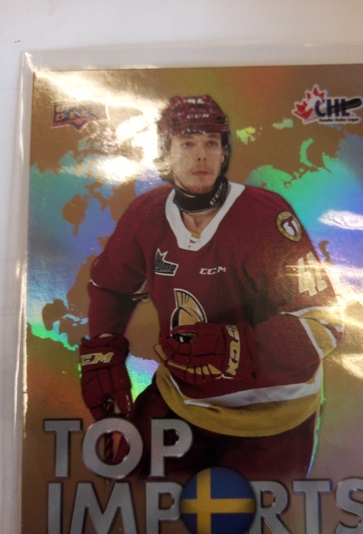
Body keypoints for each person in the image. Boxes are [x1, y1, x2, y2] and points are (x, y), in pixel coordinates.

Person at [79, 95, 343, 483]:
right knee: (132, 494)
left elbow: (325, 324)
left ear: (224, 153)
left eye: (211, 143)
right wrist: (104, 352)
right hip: (180, 398)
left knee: (257, 517)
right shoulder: (146, 215)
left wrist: (236, 349)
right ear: (165, 153)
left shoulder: (266, 216)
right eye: (187, 143)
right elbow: (110, 287)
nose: (201, 155)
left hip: (273, 415)